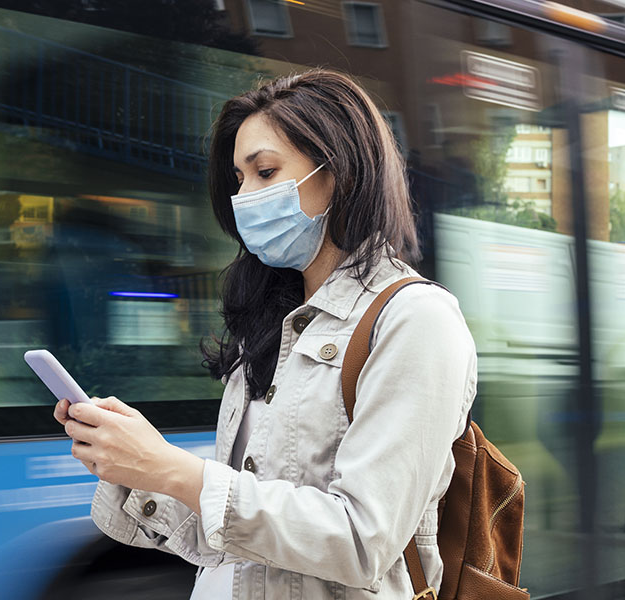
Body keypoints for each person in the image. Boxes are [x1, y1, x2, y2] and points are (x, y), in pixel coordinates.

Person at [53, 69, 477, 599]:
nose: (245, 197)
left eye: (265, 172)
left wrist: (179, 471)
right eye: (239, 179)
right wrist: (141, 466)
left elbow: (361, 540)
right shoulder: (273, 324)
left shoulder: (416, 320)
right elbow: (233, 544)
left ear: (339, 172)